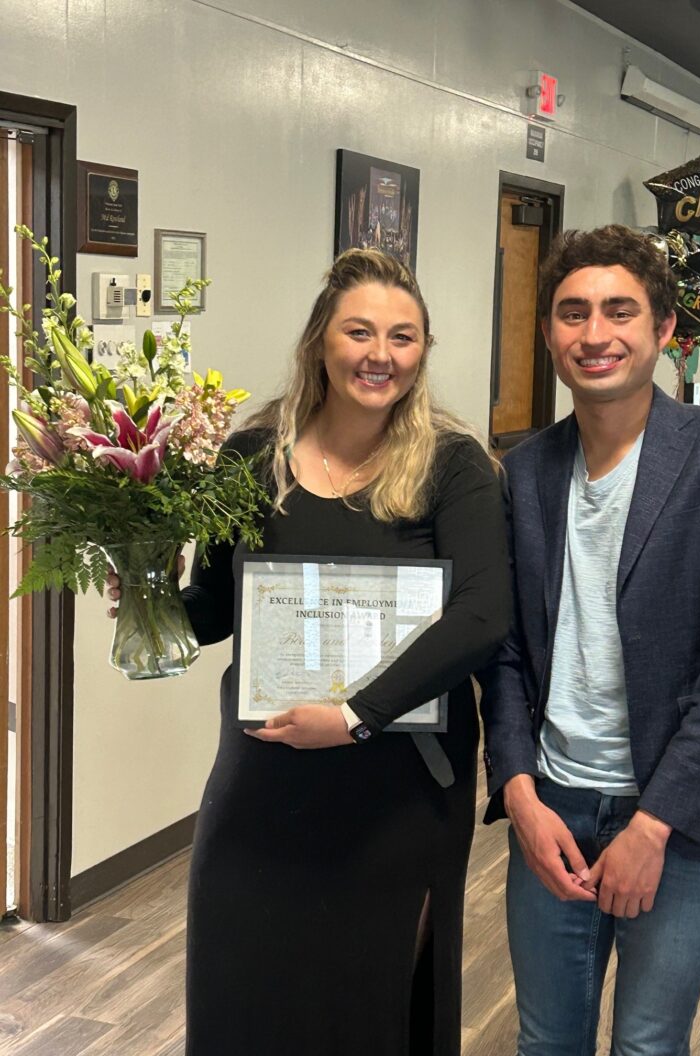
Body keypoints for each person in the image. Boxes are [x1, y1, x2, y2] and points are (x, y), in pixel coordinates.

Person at [109, 248, 511, 1056]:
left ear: (423, 350)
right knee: (244, 983)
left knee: (369, 1001)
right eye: (359, 331)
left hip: (399, 784)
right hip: (267, 771)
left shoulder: (453, 463)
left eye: (402, 336)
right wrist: (154, 604)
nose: (380, 354)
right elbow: (220, 607)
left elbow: (483, 614)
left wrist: (357, 715)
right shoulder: (250, 458)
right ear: (319, 340)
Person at [478, 224, 700, 1056]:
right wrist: (518, 791)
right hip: (553, 805)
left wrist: (652, 827)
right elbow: (505, 653)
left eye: (620, 311)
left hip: (679, 815)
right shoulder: (524, 470)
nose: (595, 334)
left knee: (649, 1044)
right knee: (546, 1040)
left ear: (664, 328)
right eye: (572, 313)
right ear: (548, 334)